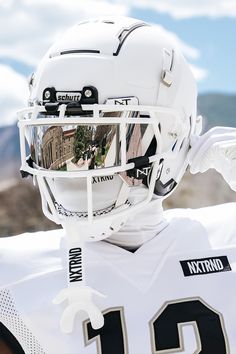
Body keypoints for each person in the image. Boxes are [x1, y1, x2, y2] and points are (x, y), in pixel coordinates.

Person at [1, 16, 236, 354]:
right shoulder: (12, 277)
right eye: (57, 144)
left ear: (169, 139)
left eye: (102, 144)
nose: (74, 171)